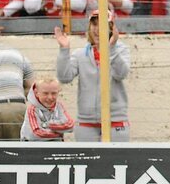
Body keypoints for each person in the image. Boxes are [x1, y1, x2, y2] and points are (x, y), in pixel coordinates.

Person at [55, 13, 131, 142]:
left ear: (112, 28)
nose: (97, 29)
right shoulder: (80, 54)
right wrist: (64, 49)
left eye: (102, 24)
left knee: (116, 161)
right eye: (94, 24)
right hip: (86, 121)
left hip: (116, 120)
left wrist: (111, 49)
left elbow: (121, 74)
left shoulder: (121, 50)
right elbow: (64, 77)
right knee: (87, 161)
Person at [20, 77, 75, 142]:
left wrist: (46, 125)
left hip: (55, 145)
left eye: (54, 93)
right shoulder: (32, 109)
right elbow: (36, 134)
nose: (50, 97)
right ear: (36, 93)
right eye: (45, 93)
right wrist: (59, 132)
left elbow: (70, 125)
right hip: (34, 147)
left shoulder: (59, 106)